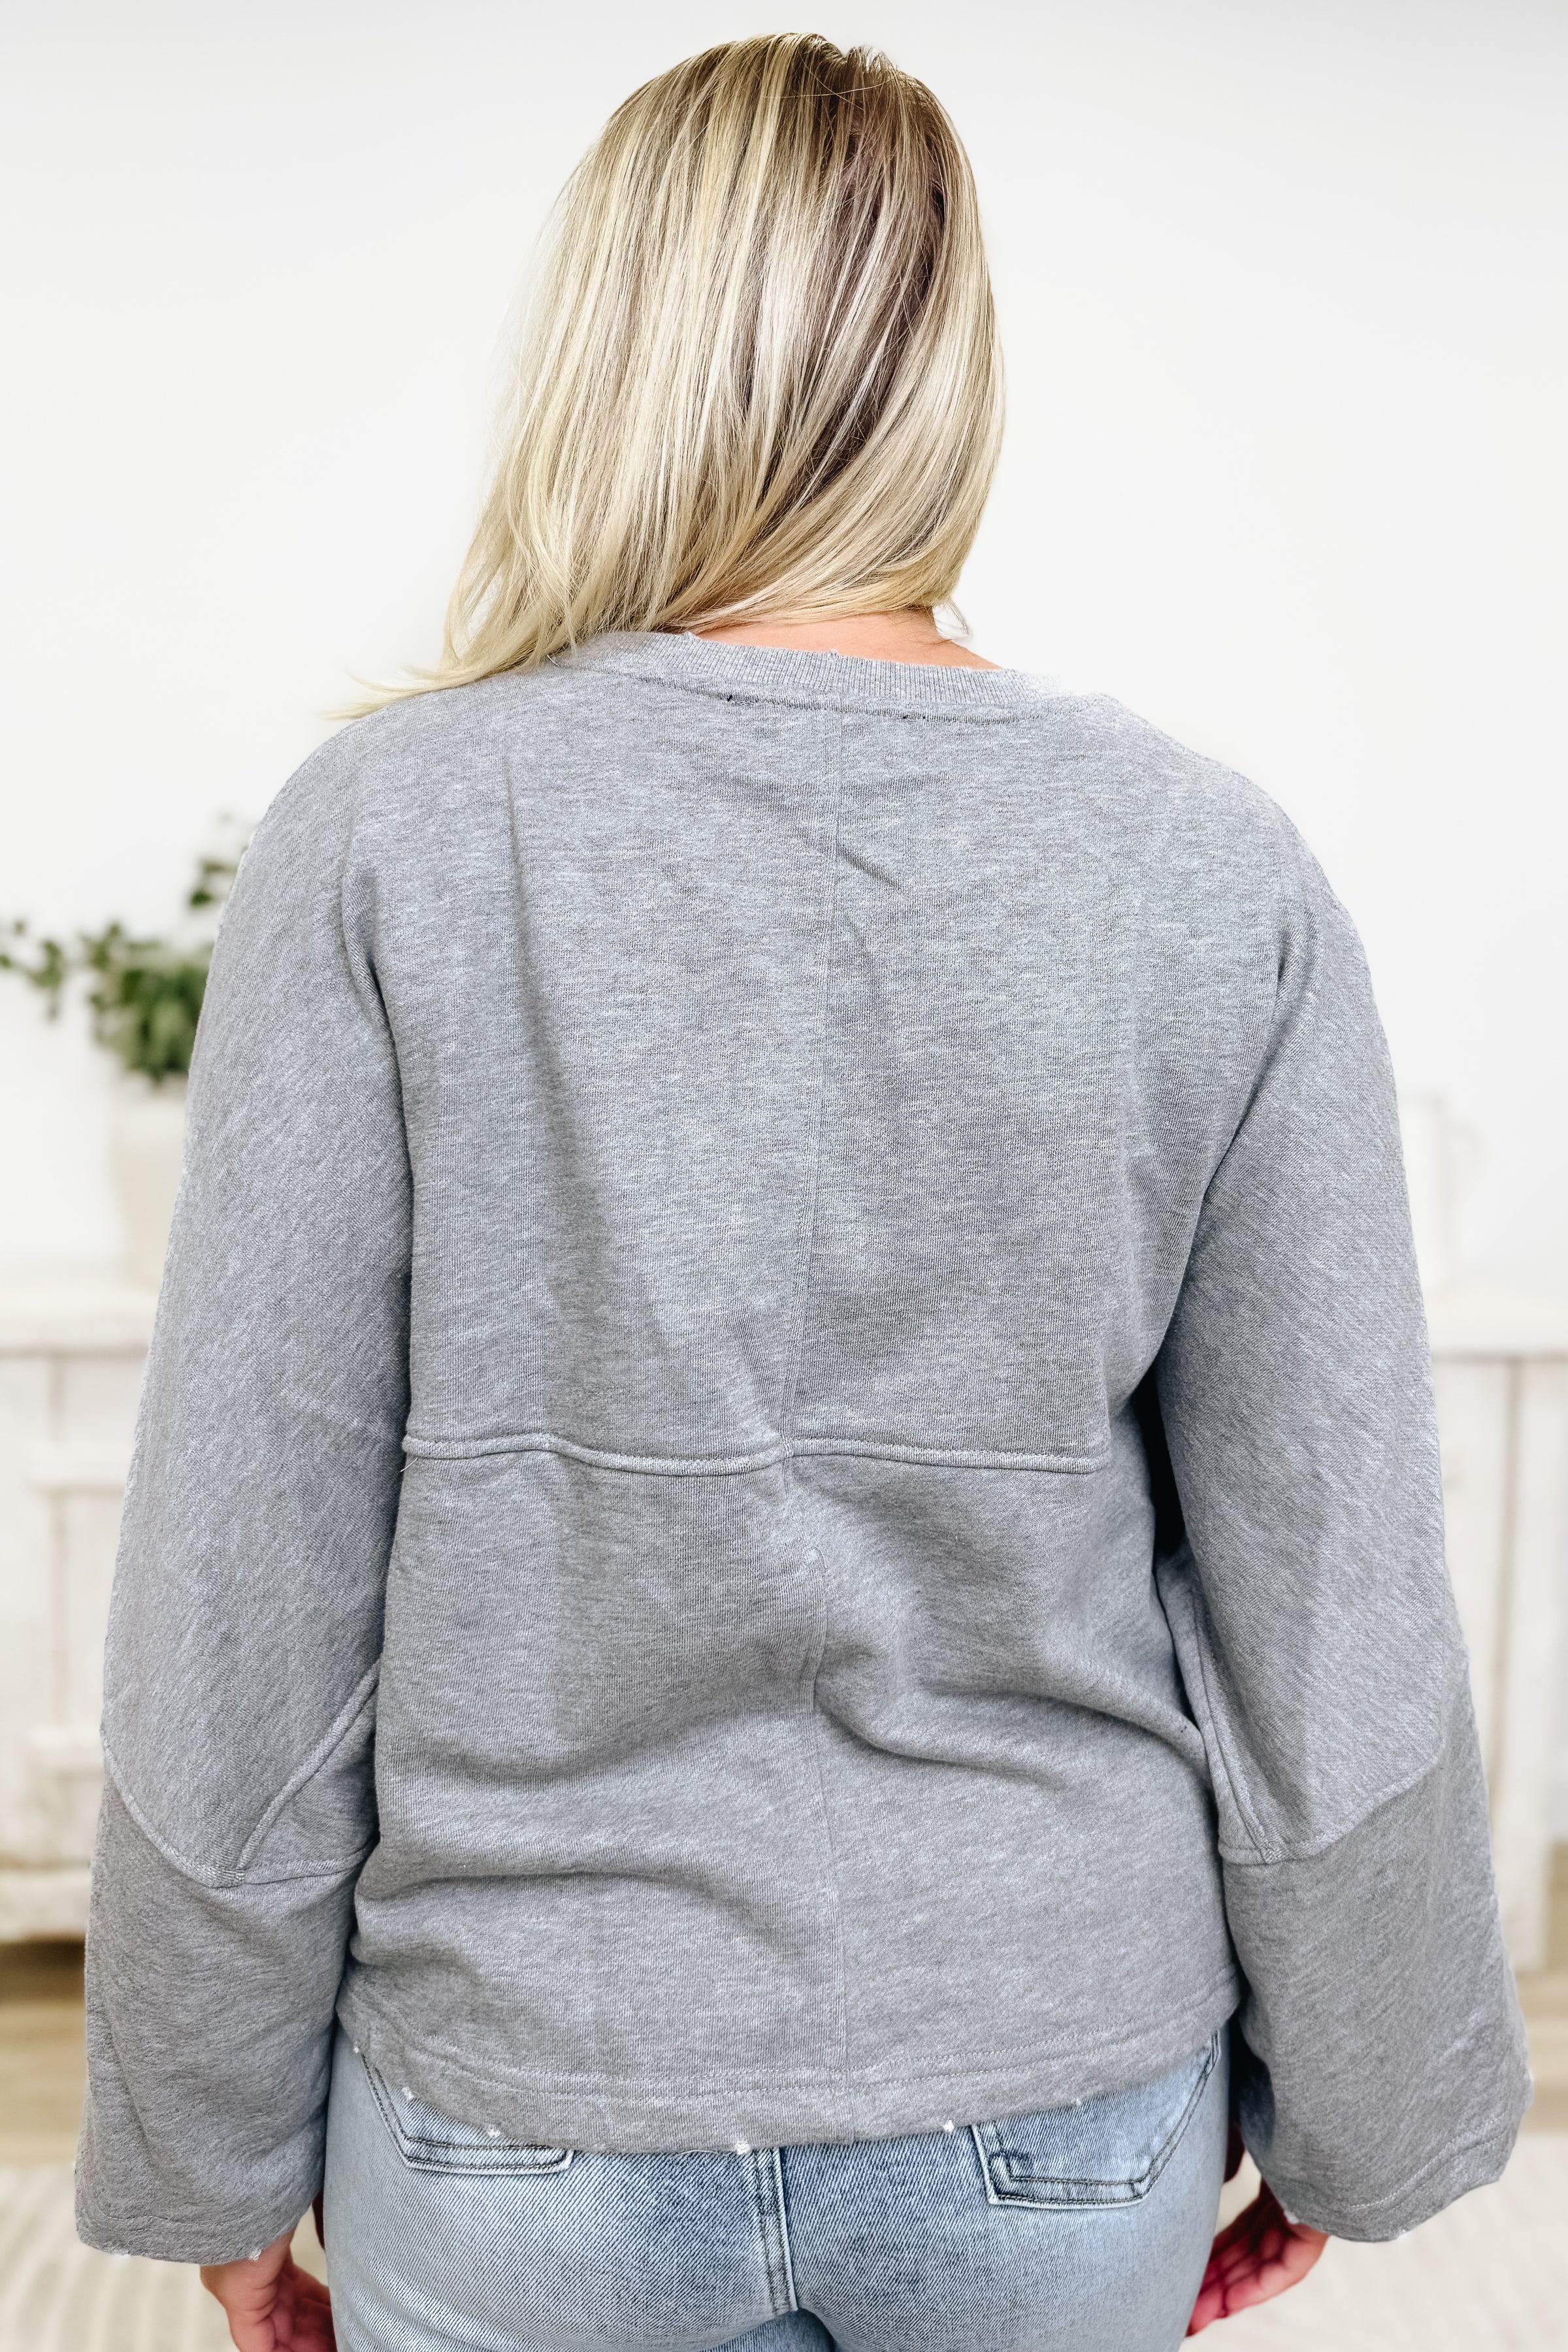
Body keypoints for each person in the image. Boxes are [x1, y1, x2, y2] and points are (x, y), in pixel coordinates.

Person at [74, 33, 1529, 2352]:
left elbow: (247, 1585)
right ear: (953, 373)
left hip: (529, 2101)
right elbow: (1325, 1587)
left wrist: (208, 2143)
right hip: (1055, 2099)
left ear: (609, 349)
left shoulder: (390, 839)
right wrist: (1361, 2110)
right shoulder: (1208, 867)